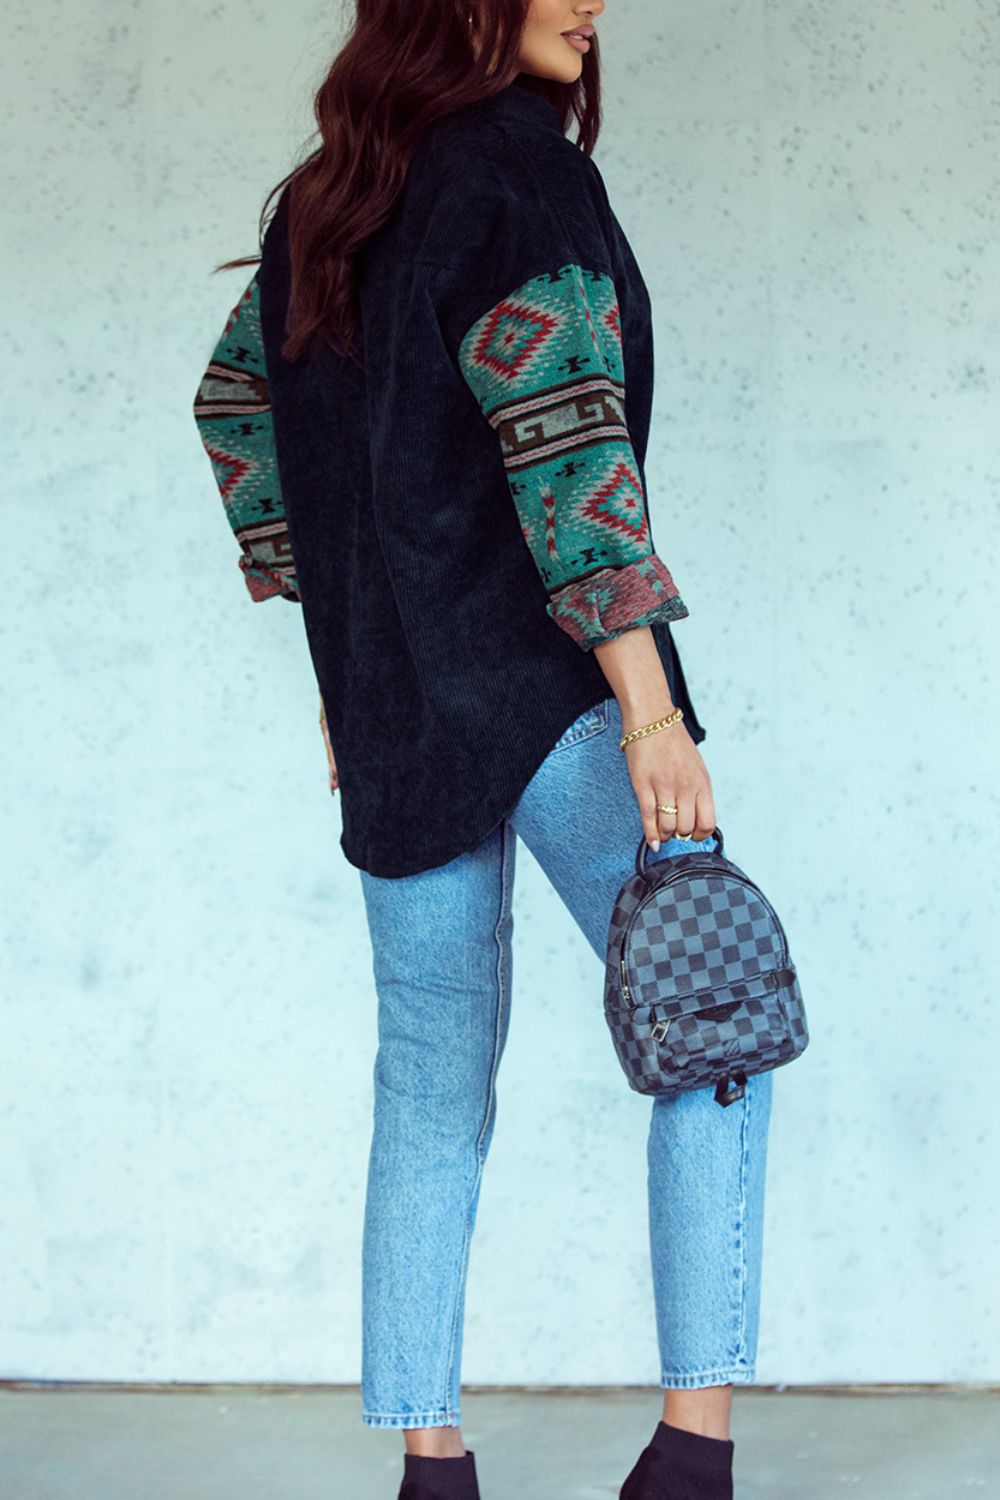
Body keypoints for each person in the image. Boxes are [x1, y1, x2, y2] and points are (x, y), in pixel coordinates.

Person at [193, 4, 773, 1497]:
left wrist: (342, 651)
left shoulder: (329, 200)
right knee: (715, 1023)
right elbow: (568, 446)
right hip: (552, 691)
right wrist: (649, 706)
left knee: (430, 1085)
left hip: (395, 710)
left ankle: (430, 1464)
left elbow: (237, 405)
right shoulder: (521, 173)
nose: (595, 2)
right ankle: (691, 1458)